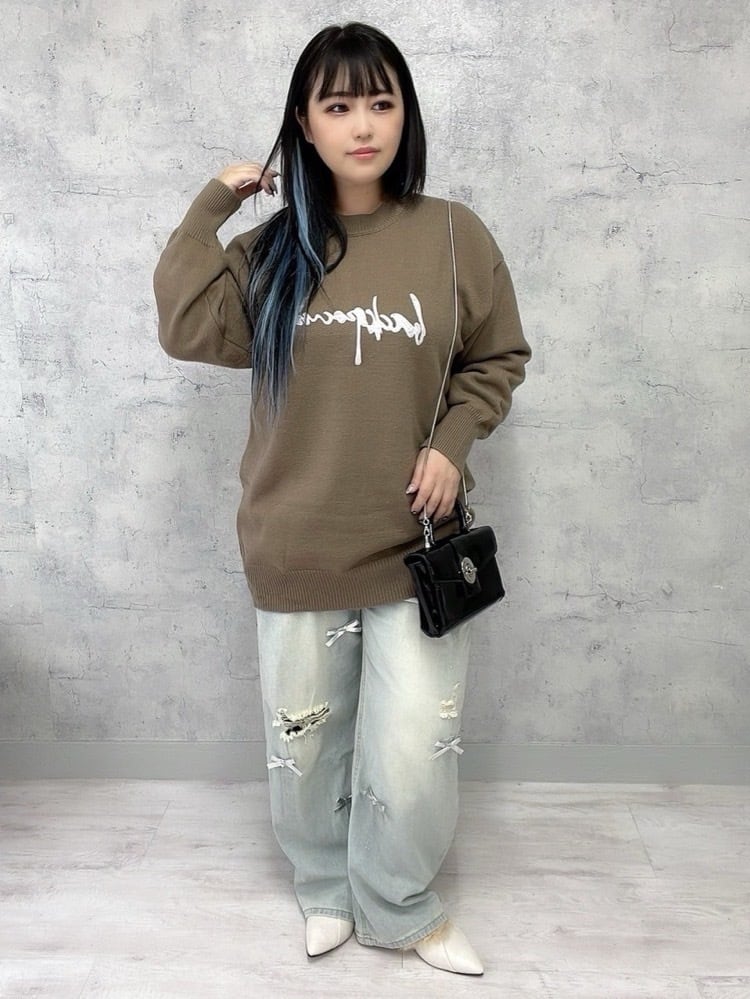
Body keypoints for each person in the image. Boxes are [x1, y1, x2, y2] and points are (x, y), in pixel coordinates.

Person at [153, 21, 530, 976]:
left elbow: (497, 356)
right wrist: (213, 203)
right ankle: (325, 888)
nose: (364, 125)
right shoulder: (274, 252)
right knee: (307, 741)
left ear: (406, 115)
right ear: (305, 125)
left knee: (414, 746)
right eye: (339, 105)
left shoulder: (454, 236)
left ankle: (400, 904)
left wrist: (451, 445)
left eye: (381, 102)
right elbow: (185, 323)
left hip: (418, 542)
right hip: (297, 540)